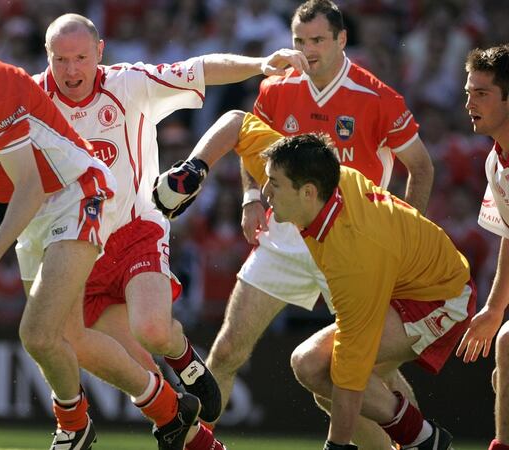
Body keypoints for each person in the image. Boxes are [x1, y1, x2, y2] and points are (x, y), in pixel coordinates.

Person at [0, 13, 307, 449]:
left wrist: (261, 65)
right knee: (71, 343)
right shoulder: (25, 90)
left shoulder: (123, 82)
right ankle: (176, 419)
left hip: (115, 215)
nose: (70, 70)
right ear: (47, 58)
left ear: (100, 52)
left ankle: (99, 411)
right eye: (60, 59)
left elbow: (199, 68)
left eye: (80, 58)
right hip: (45, 221)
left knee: (133, 331)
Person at [179, 0, 433, 446]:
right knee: (226, 351)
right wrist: (252, 195)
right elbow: (250, 142)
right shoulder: (278, 88)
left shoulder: (377, 96)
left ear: (341, 39)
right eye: (299, 41)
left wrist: (402, 240)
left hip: (352, 245)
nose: (307, 50)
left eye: (317, 40)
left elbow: (422, 167)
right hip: (285, 239)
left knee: (371, 373)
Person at [156, 113, 471, 450]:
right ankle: (424, 439)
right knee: (309, 366)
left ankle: (422, 440)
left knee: (335, 371)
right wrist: (195, 168)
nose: (266, 191)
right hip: (397, 273)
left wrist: (336, 445)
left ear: (307, 193)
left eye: (274, 185)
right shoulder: (298, 168)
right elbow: (236, 122)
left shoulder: (352, 254)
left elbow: (350, 370)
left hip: (437, 299)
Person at [455, 44, 509, 450]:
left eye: (482, 93)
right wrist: (493, 308)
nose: (469, 102)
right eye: (468, 91)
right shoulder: (495, 163)